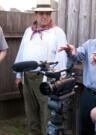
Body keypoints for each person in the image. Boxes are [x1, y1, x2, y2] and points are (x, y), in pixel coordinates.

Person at [59, 8, 96, 135]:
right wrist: (71, 51)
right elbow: (76, 57)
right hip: (88, 96)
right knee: (85, 131)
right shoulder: (89, 45)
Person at [14, 0, 67, 134]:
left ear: (50, 15)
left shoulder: (57, 32)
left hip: (46, 78)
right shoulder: (28, 31)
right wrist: (18, 75)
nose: (44, 16)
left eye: (47, 14)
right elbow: (22, 52)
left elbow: (61, 56)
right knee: (31, 113)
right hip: (27, 78)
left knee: (47, 114)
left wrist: (59, 78)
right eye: (41, 13)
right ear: (35, 15)